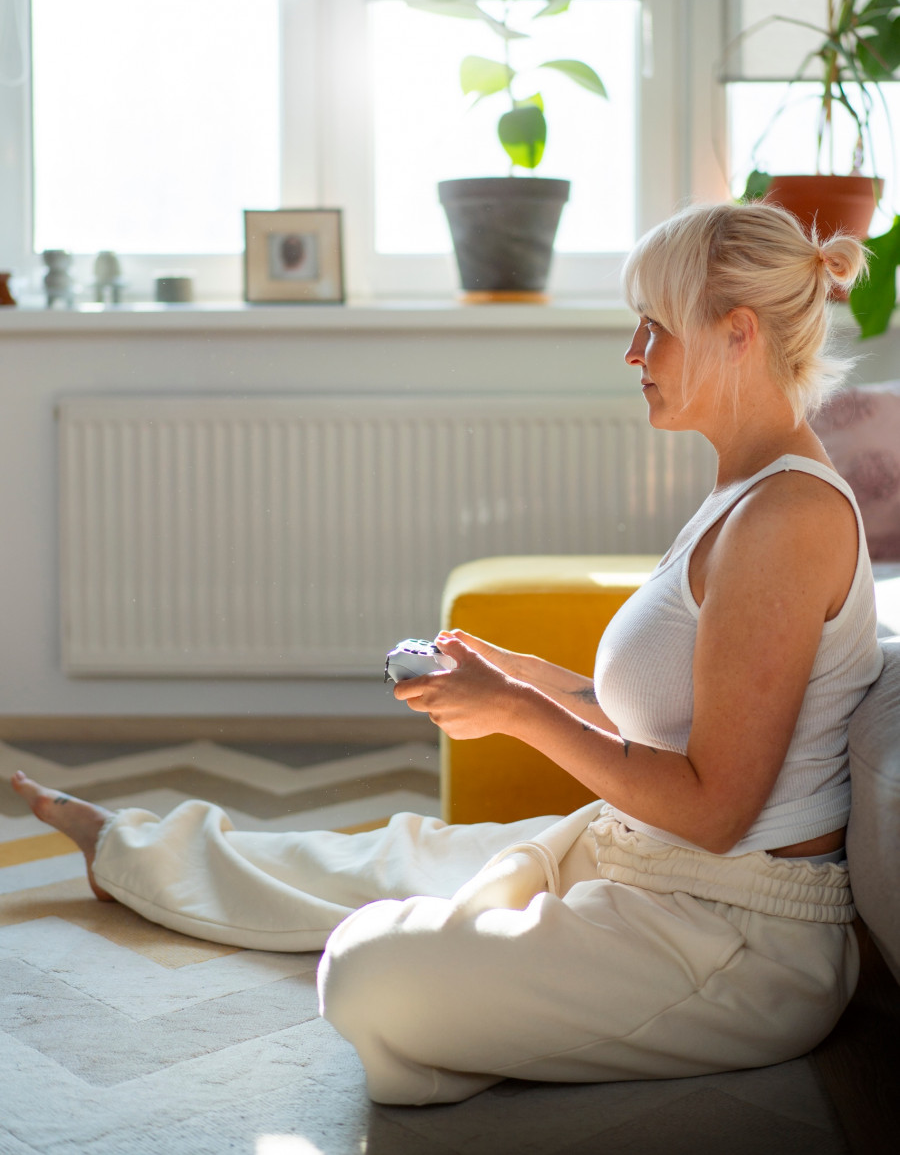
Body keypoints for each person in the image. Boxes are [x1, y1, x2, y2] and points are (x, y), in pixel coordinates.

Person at [11, 201, 883, 1107]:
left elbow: (715, 811)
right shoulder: (744, 490)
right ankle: (129, 854)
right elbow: (684, 716)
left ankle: (470, 958)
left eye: (654, 326)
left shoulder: (786, 520)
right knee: (397, 857)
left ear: (738, 335)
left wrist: (516, 712)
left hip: (737, 935)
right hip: (646, 859)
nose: (634, 353)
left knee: (369, 971)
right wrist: (522, 678)